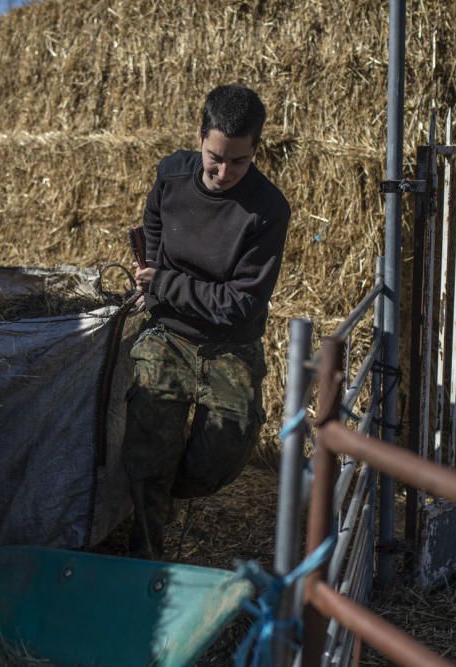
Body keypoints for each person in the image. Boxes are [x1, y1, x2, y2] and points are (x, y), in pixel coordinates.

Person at [124, 85, 291, 560]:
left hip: (229, 342)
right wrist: (151, 266)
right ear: (200, 138)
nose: (222, 172)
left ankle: (163, 489)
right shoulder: (171, 174)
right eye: (215, 157)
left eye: (237, 162)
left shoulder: (268, 209)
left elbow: (240, 304)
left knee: (221, 454)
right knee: (149, 439)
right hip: (168, 331)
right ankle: (145, 554)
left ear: (256, 149)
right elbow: (153, 220)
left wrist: (164, 283)